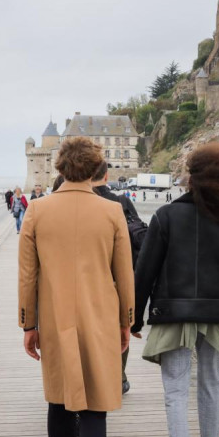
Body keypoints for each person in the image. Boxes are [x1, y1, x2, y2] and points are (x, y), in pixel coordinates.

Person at [133, 143, 219, 437]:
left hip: (172, 314)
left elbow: (145, 271)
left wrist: (134, 318)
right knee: (211, 382)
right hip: (216, 315)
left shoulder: (165, 216)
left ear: (190, 178)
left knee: (175, 388)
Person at [18, 137, 134, 437]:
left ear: (60, 166)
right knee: (96, 404)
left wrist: (29, 324)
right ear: (96, 168)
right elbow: (124, 274)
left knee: (59, 400)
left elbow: (28, 274)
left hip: (55, 318)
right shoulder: (112, 211)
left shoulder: (38, 209)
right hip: (100, 319)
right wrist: (126, 321)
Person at [90, 162, 148, 394]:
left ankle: (95, 377)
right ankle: (118, 377)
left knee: (93, 330)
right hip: (122, 276)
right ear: (106, 175)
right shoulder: (121, 202)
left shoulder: (84, 204)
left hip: (92, 276)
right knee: (120, 327)